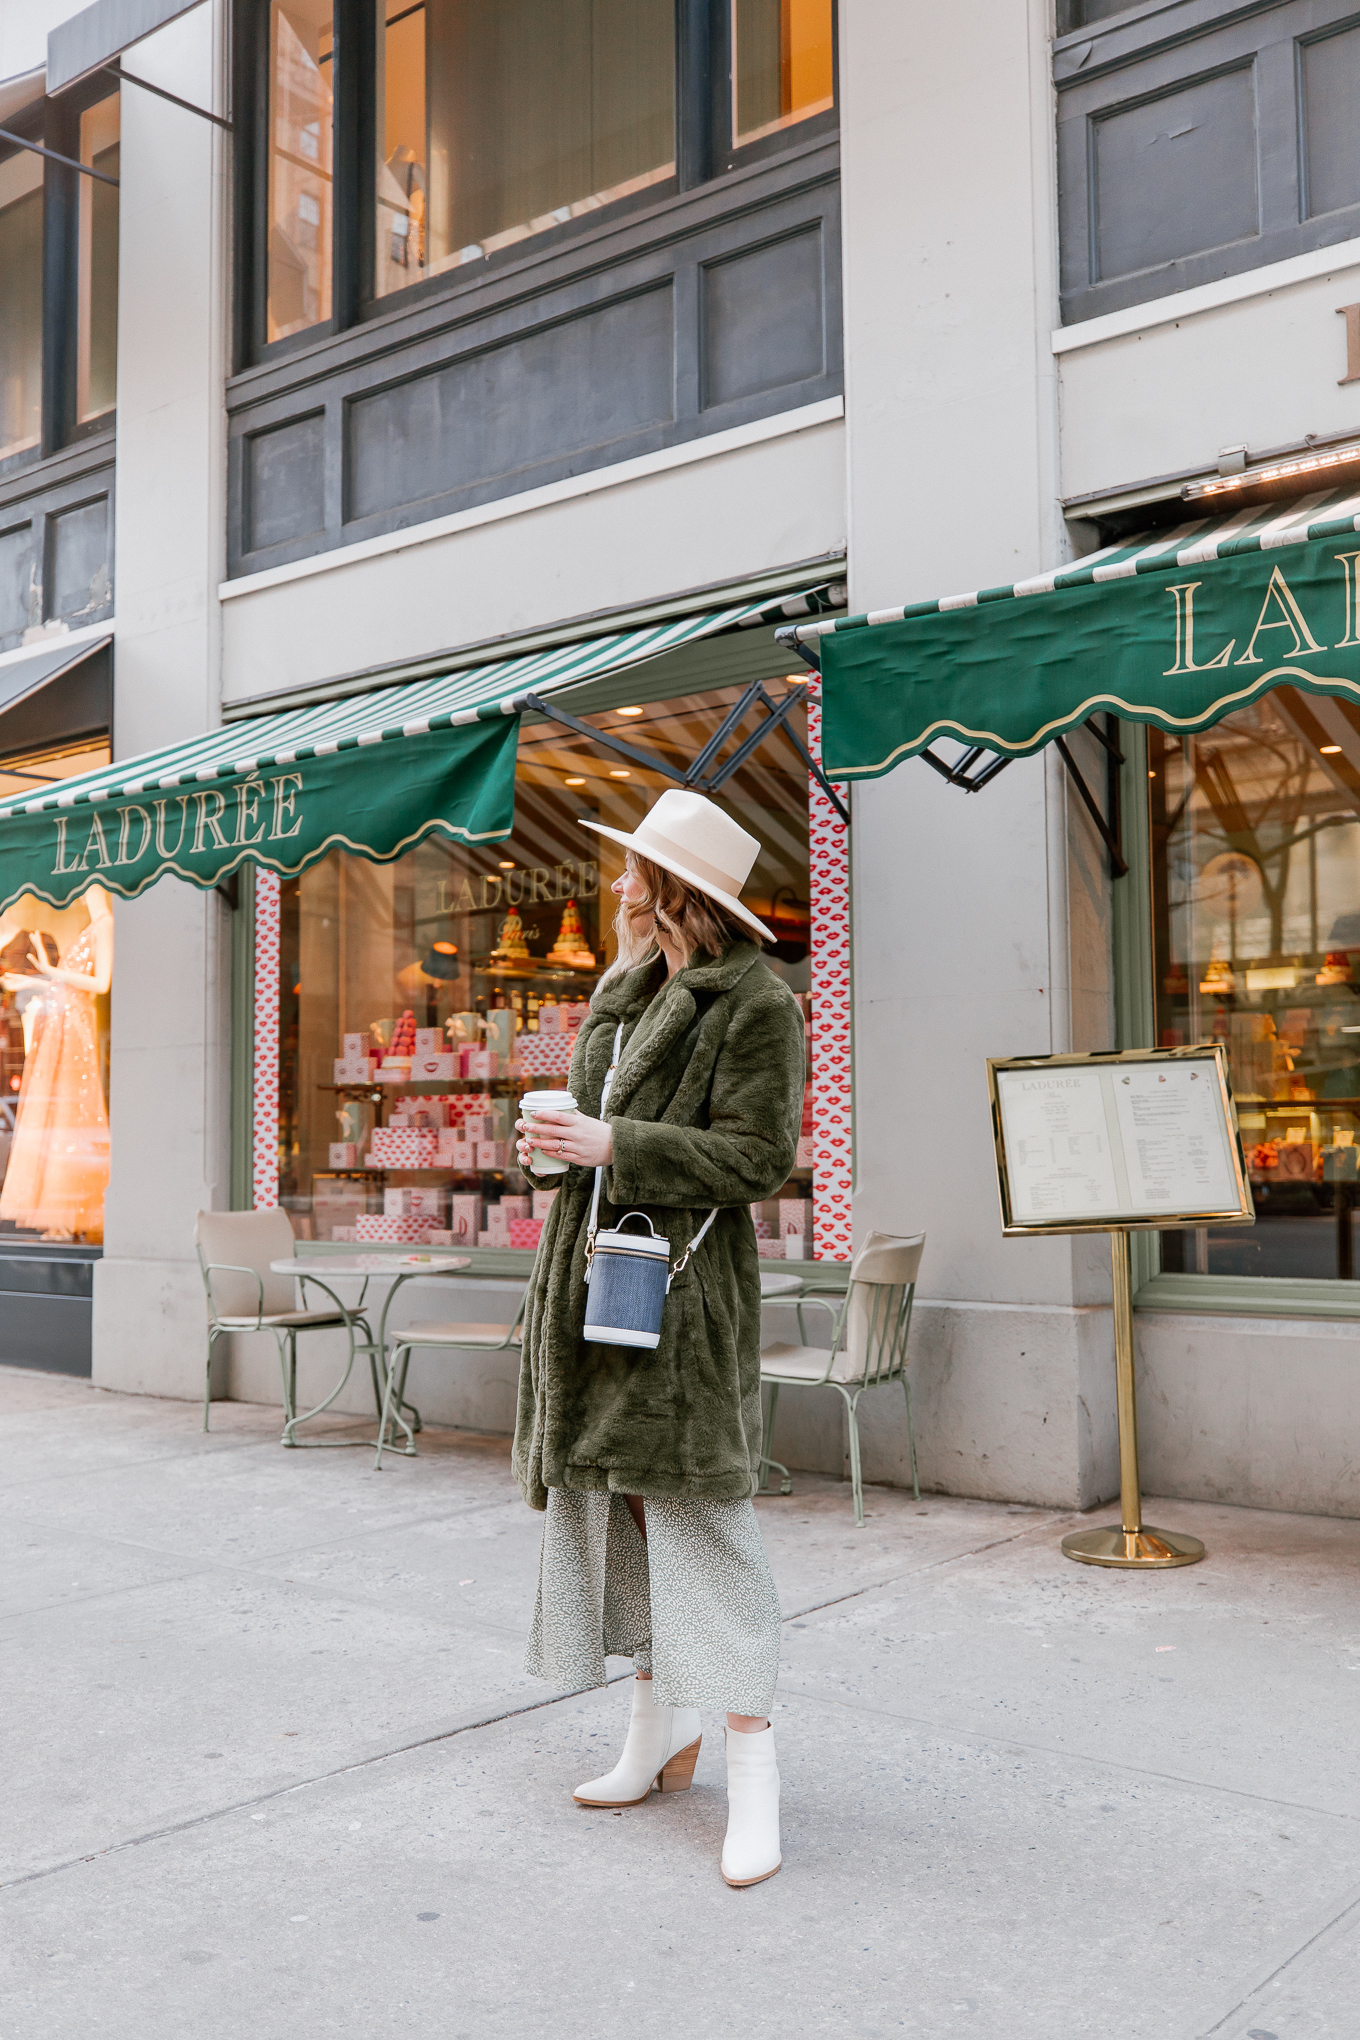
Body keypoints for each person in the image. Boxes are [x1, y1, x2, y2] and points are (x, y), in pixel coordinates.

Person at [513, 788, 805, 1887]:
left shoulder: (753, 1003)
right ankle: (654, 1736)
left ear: (674, 889)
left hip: (678, 1303)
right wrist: (554, 1145)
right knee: (622, 1518)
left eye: (636, 871)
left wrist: (613, 1142)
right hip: (589, 1295)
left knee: (701, 1527)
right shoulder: (622, 989)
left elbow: (756, 1157)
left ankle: (752, 1769)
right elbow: (589, 1140)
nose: (620, 885)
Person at [0, 883, 112, 1242]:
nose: (80, 892)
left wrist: (50, 970)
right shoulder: (89, 928)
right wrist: (33, 982)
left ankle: (71, 1217)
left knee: (71, 1114)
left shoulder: (105, 923)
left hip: (75, 1027)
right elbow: (68, 987)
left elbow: (100, 984)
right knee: (55, 1116)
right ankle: (61, 1216)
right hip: (60, 1024)